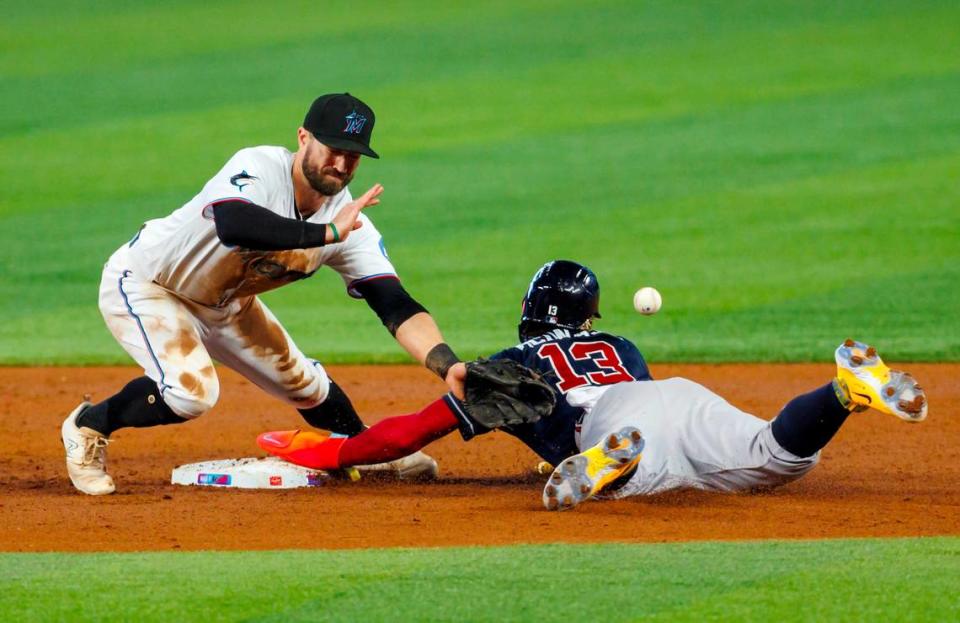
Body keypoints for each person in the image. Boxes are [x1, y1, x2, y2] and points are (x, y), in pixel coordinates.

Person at [257, 259, 929, 510]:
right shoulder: (619, 343)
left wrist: (332, 451)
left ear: (528, 309)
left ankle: (612, 465)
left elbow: (411, 431)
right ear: (586, 317)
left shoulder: (505, 365)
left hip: (612, 421)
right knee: (775, 455)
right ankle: (844, 391)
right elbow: (633, 394)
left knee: (642, 469)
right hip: (674, 391)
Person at [62, 93, 466, 495]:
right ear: (304, 138)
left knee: (305, 383)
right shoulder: (258, 167)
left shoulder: (349, 224)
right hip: (149, 283)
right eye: (334, 150)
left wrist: (446, 365)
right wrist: (326, 234)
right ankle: (90, 424)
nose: (342, 165)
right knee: (192, 393)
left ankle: (361, 446)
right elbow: (234, 223)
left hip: (226, 304)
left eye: (354, 156)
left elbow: (394, 304)